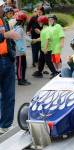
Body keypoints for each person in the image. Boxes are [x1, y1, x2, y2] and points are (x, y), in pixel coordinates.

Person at [0, 0, 17, 134]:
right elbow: (5, 35)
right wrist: (6, 34)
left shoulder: (4, 20)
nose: (2, 8)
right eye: (1, 6)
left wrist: (13, 52)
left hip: (7, 59)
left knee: (9, 95)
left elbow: (9, 38)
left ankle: (5, 125)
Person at [13, 11, 31, 85]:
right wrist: (21, 50)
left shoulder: (19, 28)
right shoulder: (18, 29)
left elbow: (24, 37)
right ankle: (20, 80)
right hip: (19, 52)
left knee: (24, 65)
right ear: (23, 21)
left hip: (22, 51)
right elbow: (17, 40)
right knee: (20, 66)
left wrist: (32, 40)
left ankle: (23, 78)